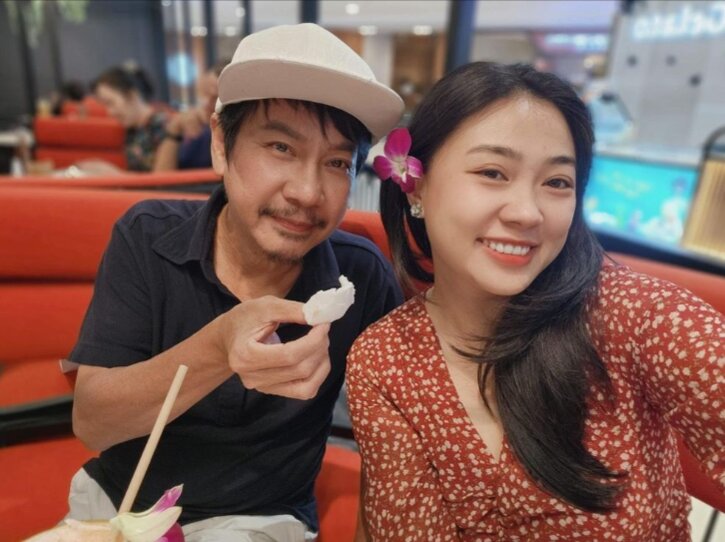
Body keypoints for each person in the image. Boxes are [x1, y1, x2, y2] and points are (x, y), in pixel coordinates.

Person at [347, 62, 724, 541]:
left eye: (557, 182)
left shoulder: (637, 315)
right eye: (492, 172)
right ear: (416, 185)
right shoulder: (384, 358)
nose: (528, 213)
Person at [66, 23, 404, 542]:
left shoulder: (359, 274)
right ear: (222, 144)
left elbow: (398, 433)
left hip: (261, 520)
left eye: (337, 162)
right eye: (281, 147)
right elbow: (93, 423)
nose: (307, 192)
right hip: (119, 503)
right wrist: (219, 348)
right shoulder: (147, 236)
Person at [87, 63, 168, 172]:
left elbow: (161, 178)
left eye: (111, 103)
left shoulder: (162, 125)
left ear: (132, 95)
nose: (110, 112)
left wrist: (112, 173)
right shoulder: (132, 129)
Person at [154, 60, 229, 171]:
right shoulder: (197, 130)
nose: (206, 103)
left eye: (215, 98)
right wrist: (175, 129)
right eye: (204, 93)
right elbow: (161, 177)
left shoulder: (231, 136)